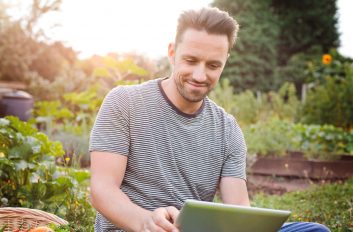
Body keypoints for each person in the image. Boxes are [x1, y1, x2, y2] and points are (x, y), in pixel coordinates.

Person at [89, 7, 330, 232]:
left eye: (213, 65)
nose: (200, 75)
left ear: (224, 63)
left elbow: (238, 211)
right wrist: (147, 222)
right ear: (172, 53)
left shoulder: (228, 129)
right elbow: (102, 191)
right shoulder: (125, 102)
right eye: (191, 61)